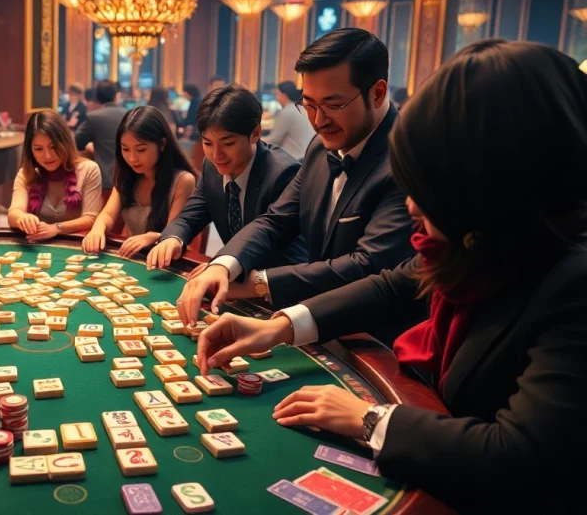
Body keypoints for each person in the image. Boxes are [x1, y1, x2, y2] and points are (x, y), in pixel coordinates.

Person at [196, 40, 587, 514]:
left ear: (498, 184)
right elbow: (393, 282)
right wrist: (277, 327)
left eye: (428, 186)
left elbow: (518, 456)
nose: (411, 206)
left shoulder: (572, 282)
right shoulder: (487, 241)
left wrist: (369, 418)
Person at [178, 28, 414, 343]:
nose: (317, 120)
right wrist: (223, 264)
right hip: (316, 327)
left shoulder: (407, 159)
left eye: (333, 105)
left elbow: (366, 266)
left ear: (378, 92)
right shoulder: (320, 148)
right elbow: (276, 220)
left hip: (377, 345)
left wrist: (258, 283)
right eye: (309, 105)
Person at [147, 85, 306, 272]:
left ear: (255, 134)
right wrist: (173, 238)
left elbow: (283, 249)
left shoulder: (283, 174)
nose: (216, 155)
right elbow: (191, 216)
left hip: (275, 287)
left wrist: (224, 267)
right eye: (207, 143)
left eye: (228, 143)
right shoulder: (210, 166)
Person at [82, 106, 196, 257]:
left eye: (141, 150)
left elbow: (175, 233)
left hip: (166, 261)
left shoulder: (183, 181)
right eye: (125, 149)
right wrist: (97, 229)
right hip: (133, 258)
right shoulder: (125, 175)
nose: (132, 158)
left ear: (162, 144)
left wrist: (152, 236)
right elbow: (108, 215)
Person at [8, 111, 103, 241]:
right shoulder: (27, 173)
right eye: (38, 149)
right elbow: (13, 213)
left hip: (77, 246)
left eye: (53, 147)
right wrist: (23, 218)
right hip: (38, 248)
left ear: (65, 142)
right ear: (30, 149)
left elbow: (91, 218)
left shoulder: (88, 169)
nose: (47, 156)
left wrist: (56, 228)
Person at [75, 80, 125, 192]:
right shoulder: (129, 114)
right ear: (116, 96)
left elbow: (76, 142)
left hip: (104, 180)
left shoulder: (94, 117)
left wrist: (90, 145)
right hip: (127, 178)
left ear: (97, 97)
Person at [267, 80, 316, 159]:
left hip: (292, 159)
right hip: (305, 157)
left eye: (277, 94)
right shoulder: (301, 108)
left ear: (284, 95)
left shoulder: (287, 111)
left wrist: (255, 139)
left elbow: (274, 140)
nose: (276, 98)